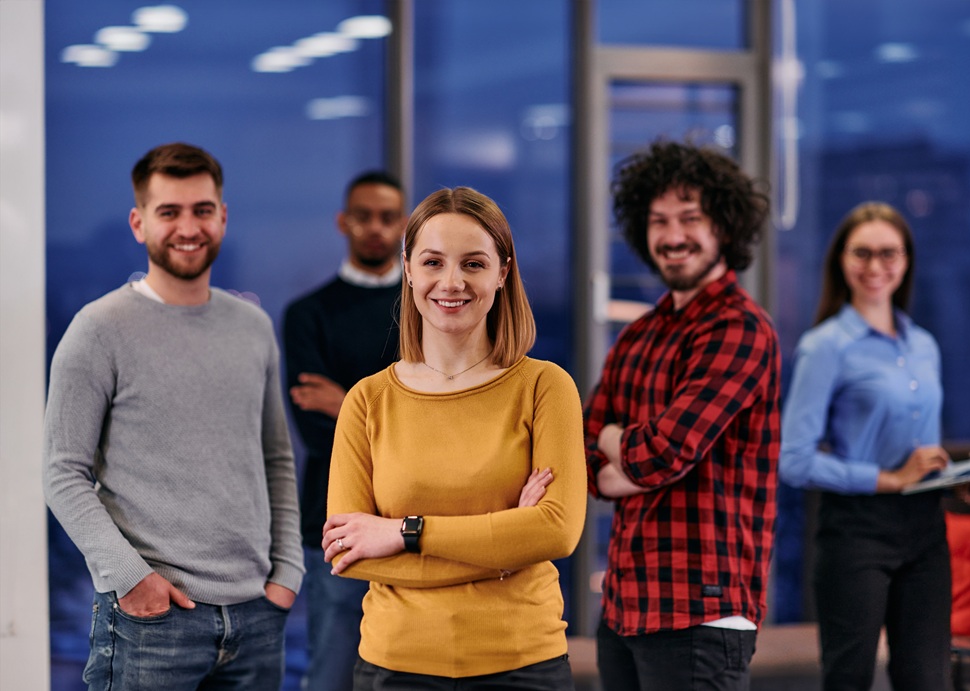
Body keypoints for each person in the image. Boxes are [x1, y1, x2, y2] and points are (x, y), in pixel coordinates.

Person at [43, 142, 304, 690]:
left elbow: (275, 456)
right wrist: (133, 580)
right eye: (170, 212)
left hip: (257, 614)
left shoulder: (252, 327)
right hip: (152, 624)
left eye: (202, 210)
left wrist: (287, 573)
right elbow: (62, 474)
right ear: (139, 224)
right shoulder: (98, 329)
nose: (189, 227)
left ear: (223, 217)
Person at [321, 186, 586, 689]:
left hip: (522, 664)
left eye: (474, 264)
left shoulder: (544, 387)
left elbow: (556, 532)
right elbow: (345, 555)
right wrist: (504, 548)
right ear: (408, 269)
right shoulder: (367, 400)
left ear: (502, 273)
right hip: (395, 666)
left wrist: (401, 533)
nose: (451, 281)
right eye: (433, 262)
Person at [584, 140, 781, 691]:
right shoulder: (637, 337)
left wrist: (619, 444)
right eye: (659, 221)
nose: (672, 236)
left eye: (690, 219)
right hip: (625, 607)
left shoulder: (740, 328)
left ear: (725, 226)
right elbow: (581, 450)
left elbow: (667, 451)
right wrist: (623, 456)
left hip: (702, 611)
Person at [779, 201, 952, 690]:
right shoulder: (825, 346)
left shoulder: (924, 345)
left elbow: (923, 445)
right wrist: (889, 478)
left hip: (925, 530)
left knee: (927, 679)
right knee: (849, 679)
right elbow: (793, 460)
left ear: (906, 260)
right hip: (856, 531)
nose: (875, 266)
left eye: (888, 253)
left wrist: (951, 476)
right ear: (841, 260)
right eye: (862, 253)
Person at [282, 170, 405, 690]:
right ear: (343, 222)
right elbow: (315, 431)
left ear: (403, 224)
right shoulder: (308, 314)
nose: (375, 227)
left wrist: (347, 403)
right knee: (332, 675)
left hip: (416, 521)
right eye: (363, 216)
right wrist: (402, 417)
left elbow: (449, 420)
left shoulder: (429, 310)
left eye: (387, 217)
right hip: (333, 520)